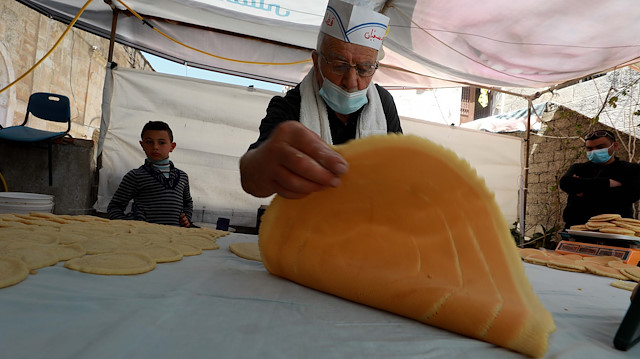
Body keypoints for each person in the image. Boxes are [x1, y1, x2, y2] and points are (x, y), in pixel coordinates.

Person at [239, 0, 402, 199]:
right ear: (316, 62)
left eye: (364, 68)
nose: (351, 82)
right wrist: (264, 162)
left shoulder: (383, 104)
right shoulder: (291, 106)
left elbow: (398, 166)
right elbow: (251, 180)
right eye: (339, 65)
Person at [107, 121, 194, 227]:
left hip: (174, 237)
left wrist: (186, 219)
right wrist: (129, 225)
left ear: (172, 146)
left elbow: (187, 203)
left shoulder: (182, 177)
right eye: (149, 142)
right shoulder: (135, 176)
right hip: (144, 237)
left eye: (161, 142)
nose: (155, 147)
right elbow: (115, 207)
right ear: (142, 145)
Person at [559, 129, 640, 228]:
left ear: (614, 146)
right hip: (577, 229)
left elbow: (629, 196)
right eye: (589, 148)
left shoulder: (630, 169)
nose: (594, 151)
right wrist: (607, 183)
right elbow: (565, 183)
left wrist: (583, 191)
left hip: (614, 232)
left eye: (600, 147)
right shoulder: (578, 168)